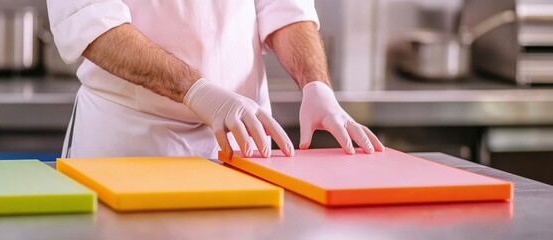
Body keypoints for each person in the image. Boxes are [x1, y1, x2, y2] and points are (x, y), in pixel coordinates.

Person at [47, 0, 384, 159]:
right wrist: (198, 91)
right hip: (133, 148)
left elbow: (284, 7)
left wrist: (315, 84)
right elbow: (94, 25)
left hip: (244, 144)